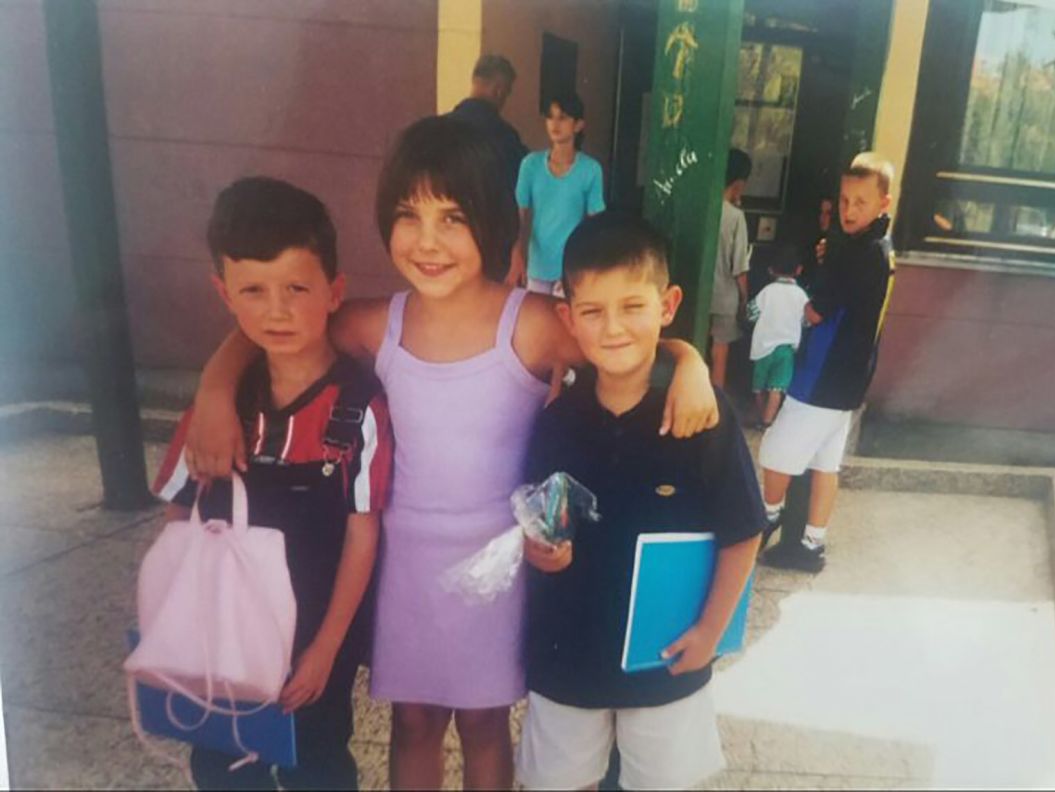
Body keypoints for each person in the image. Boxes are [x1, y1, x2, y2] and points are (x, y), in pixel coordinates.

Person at [181, 117, 720, 790]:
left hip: (498, 565)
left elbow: (622, 343)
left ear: (493, 221)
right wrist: (215, 386)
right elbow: (276, 328)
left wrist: (687, 358)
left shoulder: (527, 324)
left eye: (453, 217)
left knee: (485, 724)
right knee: (412, 724)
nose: (428, 242)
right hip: (402, 560)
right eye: (409, 215)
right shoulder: (376, 323)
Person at [151, 177, 392, 790]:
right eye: (253, 290)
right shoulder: (215, 413)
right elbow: (176, 520)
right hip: (220, 636)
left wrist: (328, 648)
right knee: (222, 765)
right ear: (223, 294)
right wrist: (169, 615)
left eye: (296, 288)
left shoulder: (357, 406)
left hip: (311, 640)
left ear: (334, 292)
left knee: (318, 764)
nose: (277, 310)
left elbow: (363, 536)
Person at [516, 212, 764, 790]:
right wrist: (540, 550)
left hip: (666, 659)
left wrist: (710, 631)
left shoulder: (701, 415)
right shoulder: (557, 419)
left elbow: (743, 531)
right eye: (592, 311)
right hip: (568, 657)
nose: (613, 328)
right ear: (567, 317)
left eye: (633, 306)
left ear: (667, 304)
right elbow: (541, 521)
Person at [759, 153, 897, 573]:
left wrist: (820, 274)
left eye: (860, 202)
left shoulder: (857, 253)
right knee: (824, 463)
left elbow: (818, 310)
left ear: (883, 204)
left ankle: (768, 515)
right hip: (850, 379)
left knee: (775, 451)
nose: (849, 210)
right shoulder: (879, 249)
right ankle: (811, 544)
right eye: (843, 201)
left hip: (822, 374)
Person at [509, 91, 605, 295]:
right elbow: (519, 213)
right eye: (550, 117)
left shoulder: (590, 169)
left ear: (578, 125)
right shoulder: (531, 165)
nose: (555, 123)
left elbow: (596, 222)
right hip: (538, 267)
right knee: (537, 322)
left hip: (571, 267)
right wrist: (516, 253)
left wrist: (587, 264)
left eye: (562, 117)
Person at [448, 54, 528, 196]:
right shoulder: (505, 136)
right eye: (507, 91)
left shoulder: (441, 128)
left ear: (474, 80)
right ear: (499, 90)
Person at [747, 249, 808, 428]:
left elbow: (751, 314)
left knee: (759, 387)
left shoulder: (767, 292)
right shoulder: (801, 295)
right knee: (777, 388)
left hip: (762, 347)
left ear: (771, 270)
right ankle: (768, 421)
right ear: (799, 270)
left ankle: (761, 415)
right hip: (786, 349)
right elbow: (807, 320)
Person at [709, 149, 752, 387]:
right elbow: (740, 269)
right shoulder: (736, 217)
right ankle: (716, 401)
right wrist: (745, 299)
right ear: (738, 184)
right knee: (720, 354)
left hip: (701, 294)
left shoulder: (704, 210)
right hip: (725, 299)